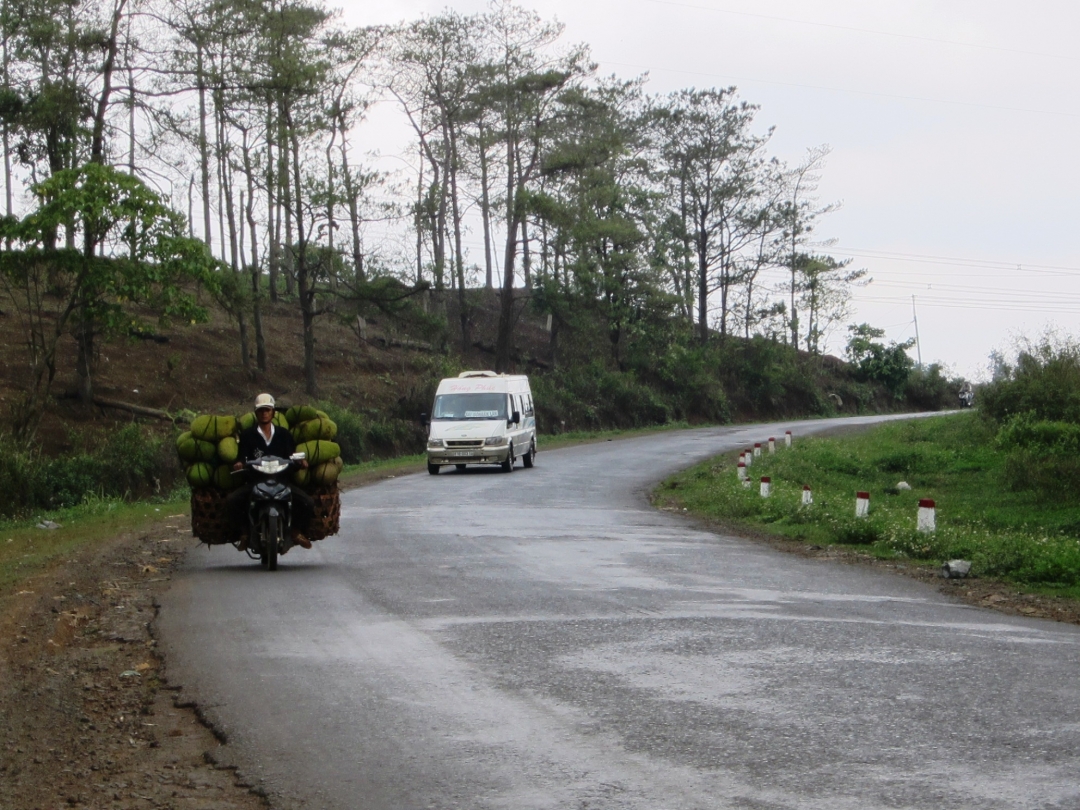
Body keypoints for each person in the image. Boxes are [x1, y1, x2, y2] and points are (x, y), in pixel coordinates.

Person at [227, 393, 315, 549]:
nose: (264, 413)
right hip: (256, 482)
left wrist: (300, 461)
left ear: (273, 412)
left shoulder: (283, 435)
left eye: (267, 410)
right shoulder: (248, 435)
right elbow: (242, 457)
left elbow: (292, 455)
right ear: (256, 413)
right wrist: (239, 464)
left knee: (307, 502)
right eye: (261, 411)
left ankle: (295, 531)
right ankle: (245, 533)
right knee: (232, 501)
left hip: (281, 481)